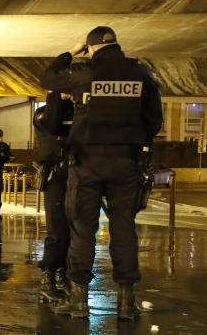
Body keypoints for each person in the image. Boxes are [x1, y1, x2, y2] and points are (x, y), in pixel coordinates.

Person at [40, 26, 163, 319]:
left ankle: (79, 300)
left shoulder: (85, 72)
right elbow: (154, 121)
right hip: (126, 163)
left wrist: (72, 50)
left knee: (83, 228)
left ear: (92, 48)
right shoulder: (141, 74)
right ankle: (126, 304)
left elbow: (48, 78)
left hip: (88, 163)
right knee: (124, 229)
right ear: (117, 44)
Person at [34, 92, 74, 303]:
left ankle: (63, 273)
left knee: (75, 230)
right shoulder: (43, 114)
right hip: (56, 176)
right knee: (57, 229)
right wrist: (58, 98)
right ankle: (48, 275)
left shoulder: (78, 111)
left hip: (78, 175)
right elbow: (53, 124)